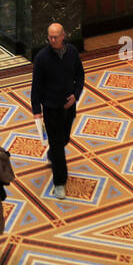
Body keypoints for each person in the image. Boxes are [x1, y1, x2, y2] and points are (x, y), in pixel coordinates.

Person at [30, 23, 85, 199]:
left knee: (63, 139)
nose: (53, 40)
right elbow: (36, 86)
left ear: (63, 36)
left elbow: (80, 75)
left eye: (56, 36)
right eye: (50, 37)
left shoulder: (72, 53)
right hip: (51, 108)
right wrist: (36, 110)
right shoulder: (41, 58)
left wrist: (75, 95)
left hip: (69, 108)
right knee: (57, 145)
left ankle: (52, 153)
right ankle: (59, 182)